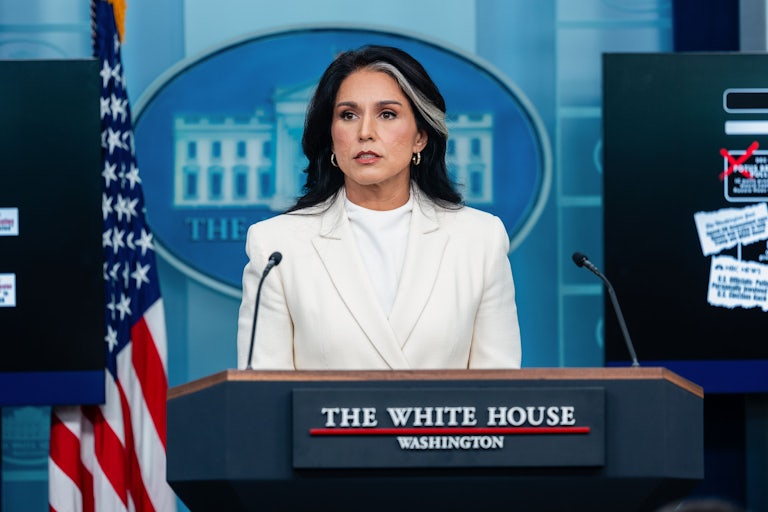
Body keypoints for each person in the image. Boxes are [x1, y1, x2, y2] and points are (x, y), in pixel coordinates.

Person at [236, 44, 522, 370]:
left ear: (420, 137)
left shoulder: (479, 239)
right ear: (330, 137)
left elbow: (499, 394)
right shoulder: (277, 246)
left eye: (387, 114)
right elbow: (263, 399)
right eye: (348, 115)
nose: (365, 133)